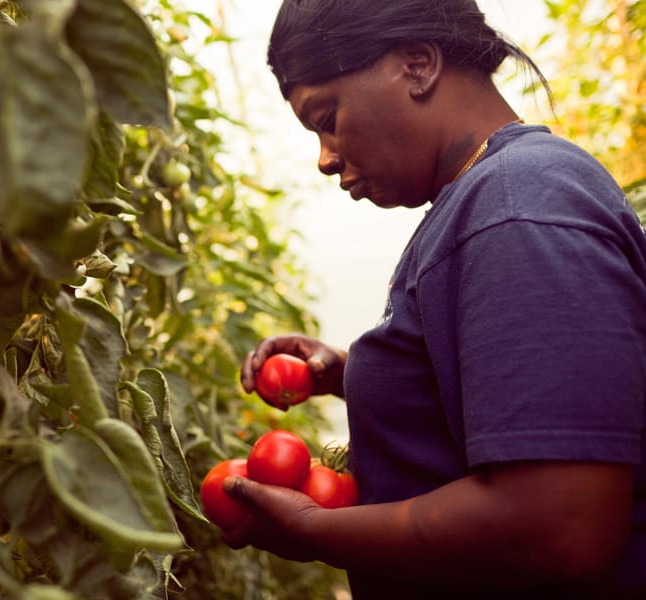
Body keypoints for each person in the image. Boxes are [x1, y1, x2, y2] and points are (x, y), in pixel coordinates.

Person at [230, 1, 646, 598]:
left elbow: (562, 524)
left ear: (418, 64)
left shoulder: (514, 204)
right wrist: (356, 375)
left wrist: (320, 530)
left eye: (327, 117)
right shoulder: (496, 195)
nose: (324, 159)